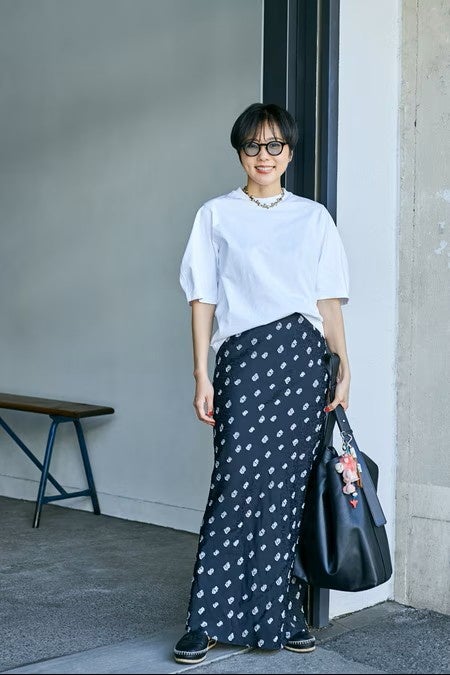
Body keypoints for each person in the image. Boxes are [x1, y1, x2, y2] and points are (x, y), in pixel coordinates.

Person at [173, 102, 351, 664]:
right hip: (244, 361)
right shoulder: (216, 215)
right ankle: (206, 619)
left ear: (290, 153)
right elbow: (203, 299)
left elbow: (328, 301)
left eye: (275, 145)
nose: (264, 155)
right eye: (253, 145)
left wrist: (344, 367)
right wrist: (201, 373)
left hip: (302, 361)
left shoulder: (313, 218)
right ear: (240, 152)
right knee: (234, 485)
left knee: (286, 494)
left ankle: (284, 615)